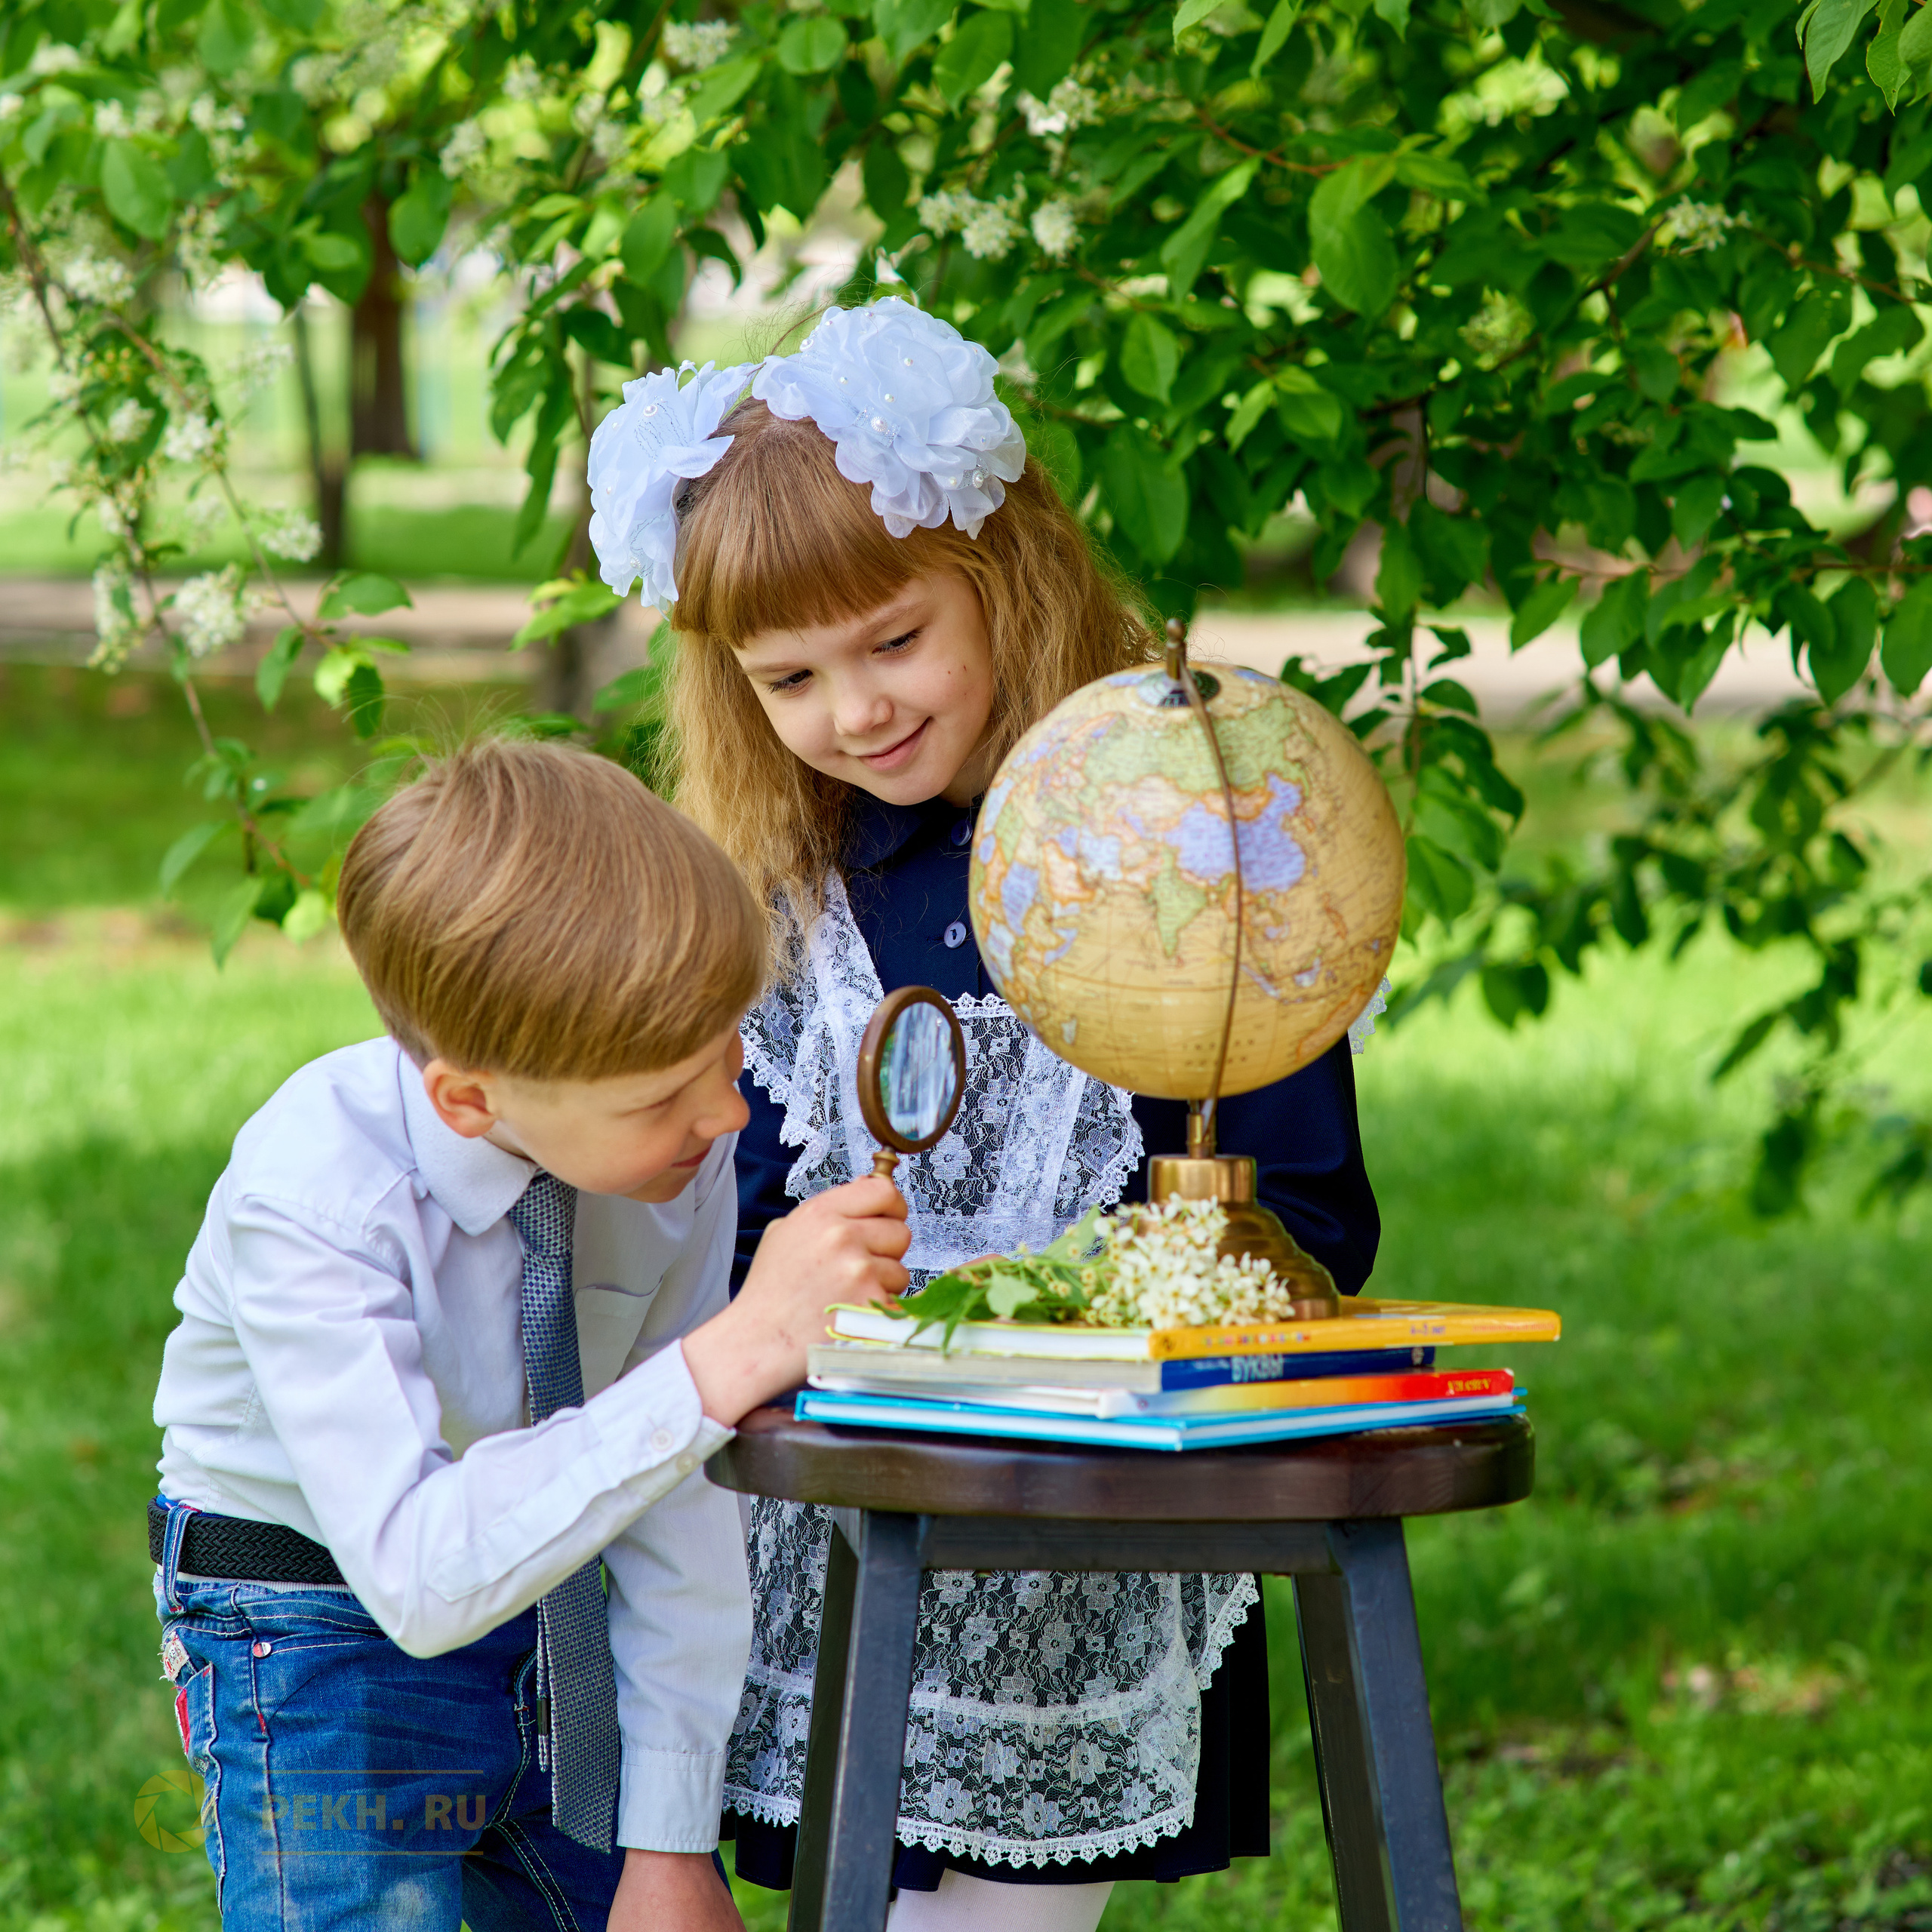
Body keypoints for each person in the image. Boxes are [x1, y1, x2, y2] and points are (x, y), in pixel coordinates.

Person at [586, 303, 1381, 1932]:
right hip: (826, 1528)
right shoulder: (778, 894)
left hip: (1074, 1538)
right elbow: (712, 1220)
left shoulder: (1169, 840)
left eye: (893, 641)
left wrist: (1079, 1308)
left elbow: (1304, 1214)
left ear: (999, 579)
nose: (852, 710)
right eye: (788, 676)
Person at [149, 737, 911, 1932]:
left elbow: (673, 1486)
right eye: (663, 1095)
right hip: (313, 1624)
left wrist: (671, 1843)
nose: (726, 1115)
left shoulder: (672, 1152)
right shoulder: (313, 1197)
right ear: (471, 1098)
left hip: (560, 1578)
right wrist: (725, 1362)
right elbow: (417, 1571)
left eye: (729, 1053)